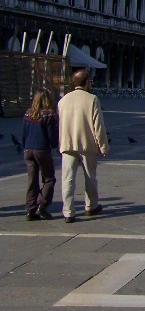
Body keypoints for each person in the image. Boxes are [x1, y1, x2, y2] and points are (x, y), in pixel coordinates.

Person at [58, 69, 109, 223]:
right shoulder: (92, 99)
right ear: (87, 82)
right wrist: (103, 146)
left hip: (67, 144)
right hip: (87, 145)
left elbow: (60, 124)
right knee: (90, 177)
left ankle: (68, 212)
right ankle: (91, 206)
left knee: (67, 179)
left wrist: (60, 144)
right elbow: (98, 126)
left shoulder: (63, 100)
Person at [22, 88, 59, 221]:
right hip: (42, 150)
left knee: (32, 180)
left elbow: (24, 133)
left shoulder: (28, 113)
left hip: (28, 149)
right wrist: (56, 146)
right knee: (49, 178)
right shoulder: (48, 115)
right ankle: (42, 204)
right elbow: (52, 136)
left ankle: (30, 209)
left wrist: (24, 146)